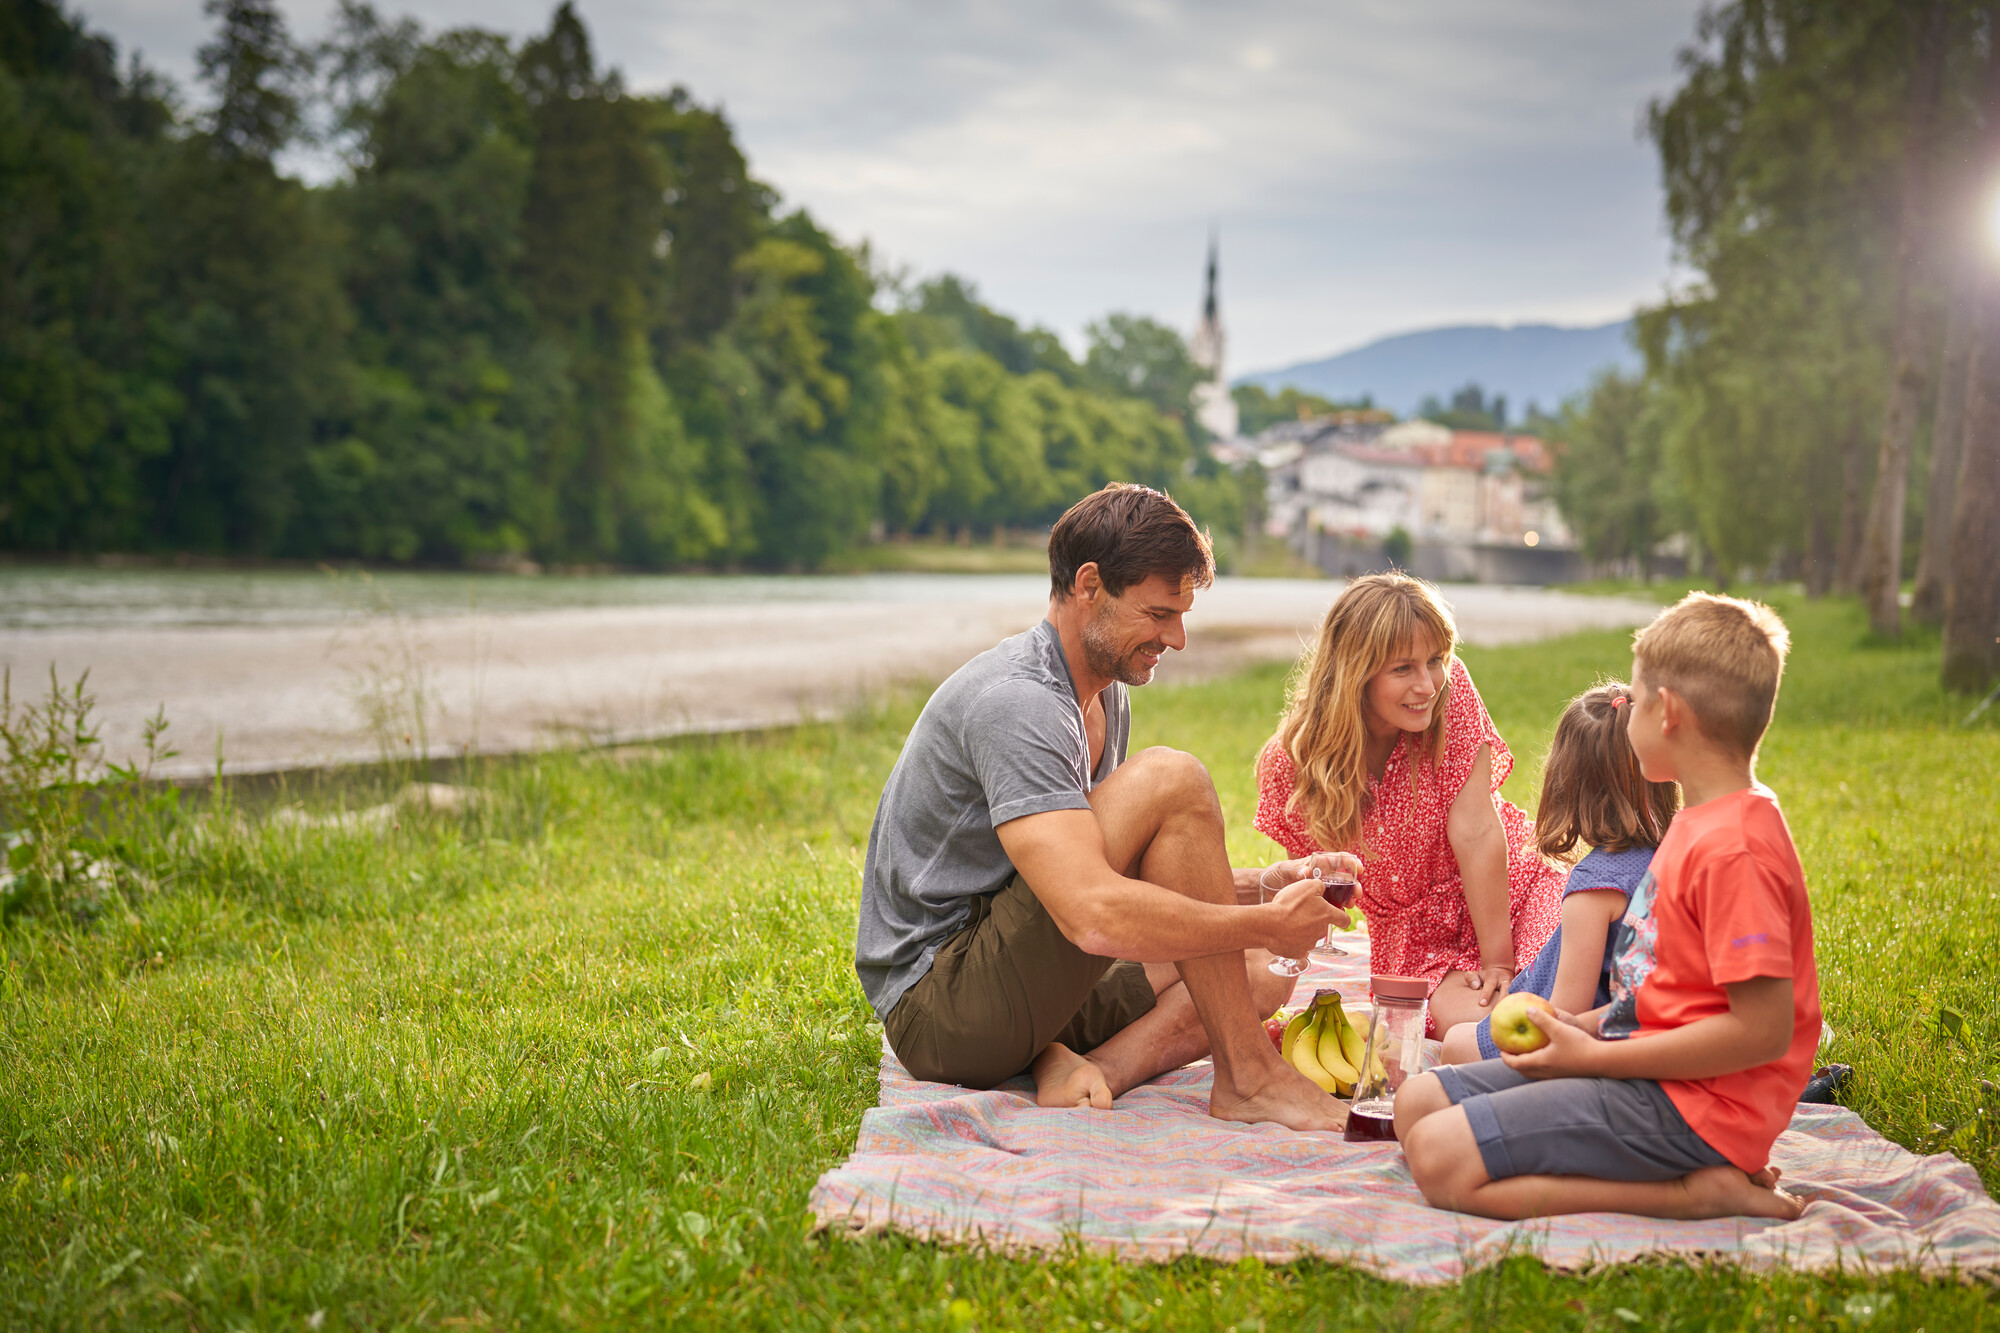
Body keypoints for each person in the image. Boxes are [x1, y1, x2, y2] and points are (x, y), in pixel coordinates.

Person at [854, 484, 1346, 1130]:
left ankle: (1087, 1069)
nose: (1178, 637)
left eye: (1181, 615)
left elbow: (1104, 875)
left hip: (1014, 965)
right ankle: (1249, 1077)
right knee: (1173, 779)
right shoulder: (1019, 702)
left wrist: (1257, 890)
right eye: (1159, 613)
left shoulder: (1104, 695)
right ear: (1089, 585)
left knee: (1257, 976)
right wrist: (1262, 921)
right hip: (943, 1004)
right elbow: (1090, 911)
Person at [1396, 592, 1819, 1222]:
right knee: (1416, 1104)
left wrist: (1593, 1059)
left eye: (1638, 698)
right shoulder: (1693, 830)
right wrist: (1581, 1030)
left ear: (1667, 713)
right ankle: (1659, 1162)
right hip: (1639, 1072)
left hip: (1694, 1106)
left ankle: (1696, 1192)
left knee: (1437, 1156)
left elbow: (1762, 1030)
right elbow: (1661, 996)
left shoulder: (1737, 850)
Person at [1253, 573, 1566, 1034]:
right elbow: (1307, 889)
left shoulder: (1451, 690)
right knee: (1496, 1027)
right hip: (1416, 946)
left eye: (1435, 660)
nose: (1428, 684)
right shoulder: (1293, 763)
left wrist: (1499, 962)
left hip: (1510, 893)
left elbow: (1477, 829)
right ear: (1354, 674)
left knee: (1564, 989)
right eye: (1403, 669)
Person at [1439, 681, 1681, 1063]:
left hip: (1571, 1039)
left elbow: (1565, 1021)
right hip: (1643, 1031)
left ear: (1565, 782)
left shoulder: (1593, 887)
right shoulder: (1681, 854)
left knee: (1454, 1042)